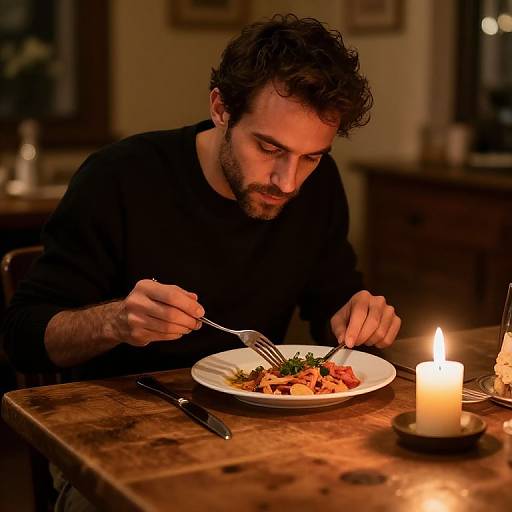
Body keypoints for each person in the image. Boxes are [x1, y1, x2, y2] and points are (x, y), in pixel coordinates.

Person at [2, 14, 401, 383]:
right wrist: (115, 321)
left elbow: (333, 305)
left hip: (253, 419)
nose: (288, 182)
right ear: (220, 109)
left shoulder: (320, 185)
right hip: (120, 419)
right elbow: (22, 336)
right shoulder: (118, 177)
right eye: (268, 148)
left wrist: (359, 316)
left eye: (310, 157)